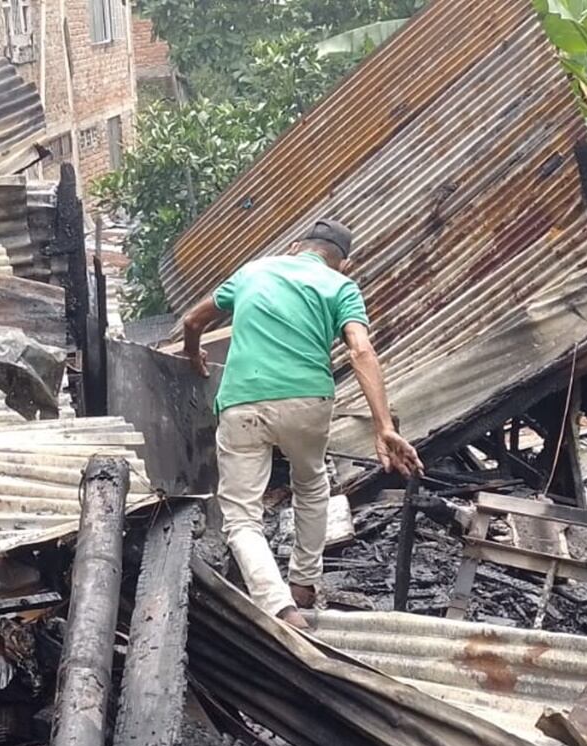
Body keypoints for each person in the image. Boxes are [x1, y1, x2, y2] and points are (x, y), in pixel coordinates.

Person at [180, 218, 423, 630]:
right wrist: (383, 425)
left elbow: (192, 322)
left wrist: (191, 354)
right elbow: (361, 350)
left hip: (243, 401)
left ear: (295, 246)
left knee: (241, 517)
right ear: (342, 264)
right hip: (308, 402)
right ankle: (304, 584)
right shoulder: (340, 286)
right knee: (310, 485)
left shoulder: (253, 271)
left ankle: (280, 609)